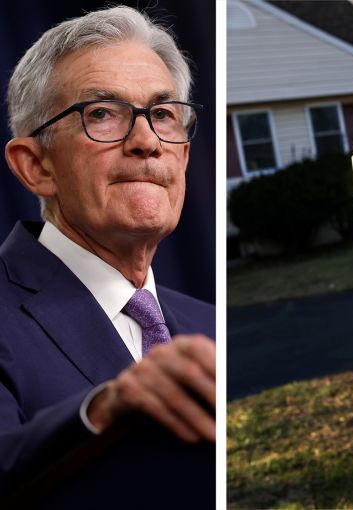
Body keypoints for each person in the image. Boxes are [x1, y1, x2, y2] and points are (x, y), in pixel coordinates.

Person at [0, 6, 215, 493]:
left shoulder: (212, 326)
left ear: (182, 153)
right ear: (36, 166)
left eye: (162, 114)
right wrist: (104, 412)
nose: (146, 141)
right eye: (101, 113)